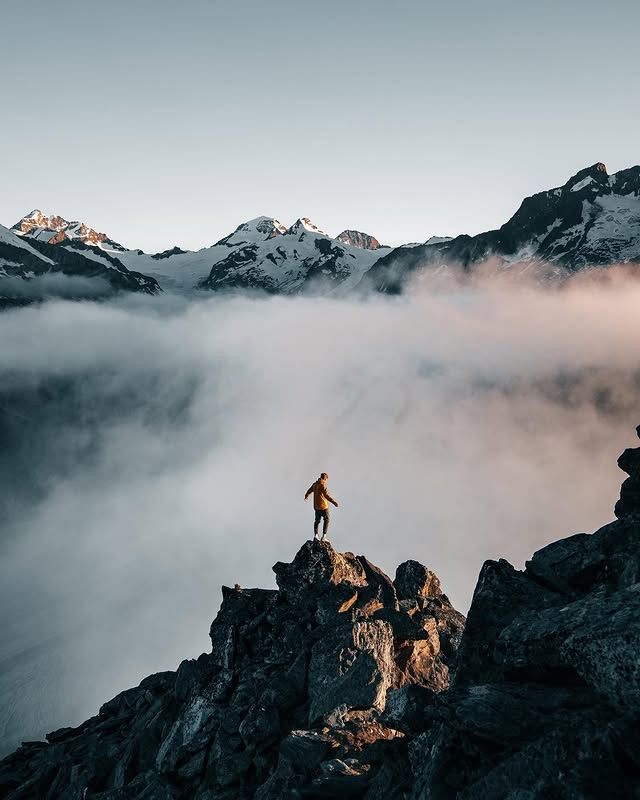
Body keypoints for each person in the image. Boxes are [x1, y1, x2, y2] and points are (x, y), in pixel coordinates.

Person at [304, 472, 339, 541]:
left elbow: (309, 490)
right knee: (327, 519)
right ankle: (324, 536)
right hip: (323, 507)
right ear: (325, 478)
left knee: (317, 521)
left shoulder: (315, 484)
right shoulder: (323, 485)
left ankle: (316, 536)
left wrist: (306, 495)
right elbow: (326, 495)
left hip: (316, 507)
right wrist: (334, 502)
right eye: (326, 479)